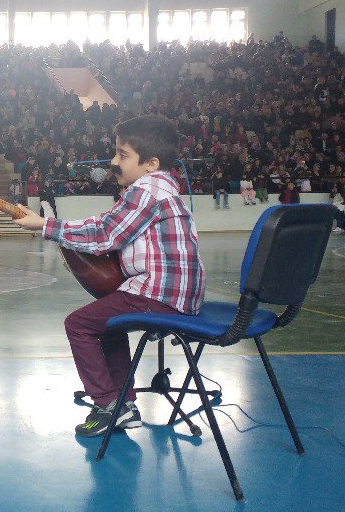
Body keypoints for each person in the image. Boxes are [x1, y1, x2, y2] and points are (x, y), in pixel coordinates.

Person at [12, 116, 205, 438]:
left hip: (161, 295)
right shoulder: (162, 189)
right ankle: (123, 406)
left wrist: (46, 226)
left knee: (79, 324)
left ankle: (106, 404)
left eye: (122, 154)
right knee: (109, 322)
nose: (114, 162)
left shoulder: (148, 190)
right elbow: (107, 223)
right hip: (177, 295)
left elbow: (105, 233)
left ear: (150, 164)